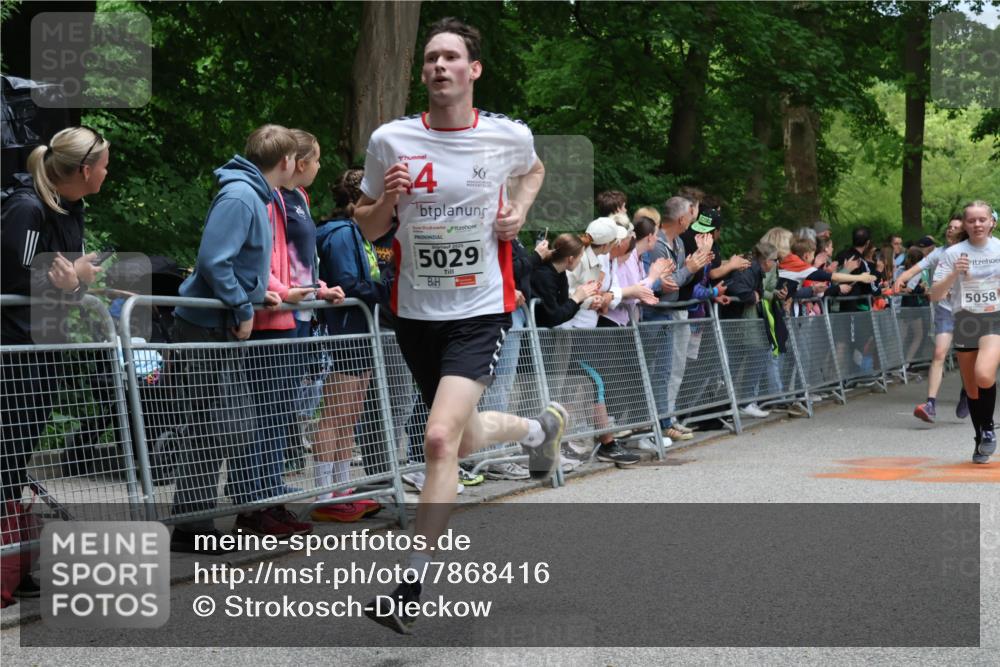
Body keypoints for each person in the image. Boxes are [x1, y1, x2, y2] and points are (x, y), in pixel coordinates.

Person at [354, 18, 567, 634]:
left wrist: (519, 211)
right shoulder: (391, 140)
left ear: (473, 71)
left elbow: (534, 169)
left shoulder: (506, 136)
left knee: (440, 441)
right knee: (464, 436)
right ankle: (536, 428)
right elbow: (365, 227)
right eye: (430, 59)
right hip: (416, 314)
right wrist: (388, 203)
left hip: (481, 309)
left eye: (451, 58)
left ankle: (410, 584)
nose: (439, 67)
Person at [168, 124, 298, 553]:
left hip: (216, 324)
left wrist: (262, 294)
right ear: (285, 162)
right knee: (216, 426)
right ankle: (191, 526)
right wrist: (243, 307)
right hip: (205, 325)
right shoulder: (242, 196)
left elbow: (236, 265)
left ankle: (193, 521)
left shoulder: (251, 192)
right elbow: (213, 261)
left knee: (223, 426)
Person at [1, 126, 110, 604]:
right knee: (7, 453)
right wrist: (72, 282)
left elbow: (64, 282)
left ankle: (14, 556)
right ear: (85, 170)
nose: (108, 172)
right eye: (104, 164)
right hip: (15, 352)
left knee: (18, 455)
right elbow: (12, 278)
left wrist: (78, 283)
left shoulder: (71, 208)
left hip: (47, 349)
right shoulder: (27, 208)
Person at [314, 168, 386, 521]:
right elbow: (346, 281)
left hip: (360, 329)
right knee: (334, 414)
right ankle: (324, 493)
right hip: (342, 329)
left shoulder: (359, 232)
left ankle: (342, 488)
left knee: (350, 415)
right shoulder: (342, 232)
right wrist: (389, 289)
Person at [930, 200, 999, 464]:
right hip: (966, 320)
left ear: (991, 221)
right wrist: (953, 275)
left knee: (984, 374)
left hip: (994, 318)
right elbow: (936, 294)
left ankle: (989, 427)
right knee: (971, 388)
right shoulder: (953, 253)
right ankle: (980, 437)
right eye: (972, 220)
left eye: (982, 219)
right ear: (965, 224)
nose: (977, 224)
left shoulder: (999, 248)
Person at [896, 216, 966, 423]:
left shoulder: (971, 251)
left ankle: (967, 392)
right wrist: (902, 278)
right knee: (938, 353)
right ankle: (930, 404)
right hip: (945, 309)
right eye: (949, 227)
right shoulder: (939, 252)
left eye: (956, 228)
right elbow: (919, 266)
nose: (950, 230)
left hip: (966, 311)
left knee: (965, 358)